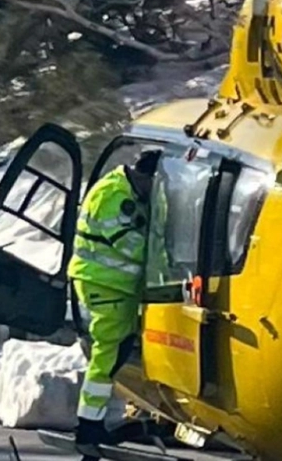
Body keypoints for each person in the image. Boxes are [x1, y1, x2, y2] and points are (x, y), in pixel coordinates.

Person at [70, 150, 161, 447]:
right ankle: (89, 425)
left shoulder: (121, 189)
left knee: (115, 350)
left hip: (112, 285)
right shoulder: (114, 197)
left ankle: (92, 423)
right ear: (145, 178)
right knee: (109, 352)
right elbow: (129, 245)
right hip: (107, 285)